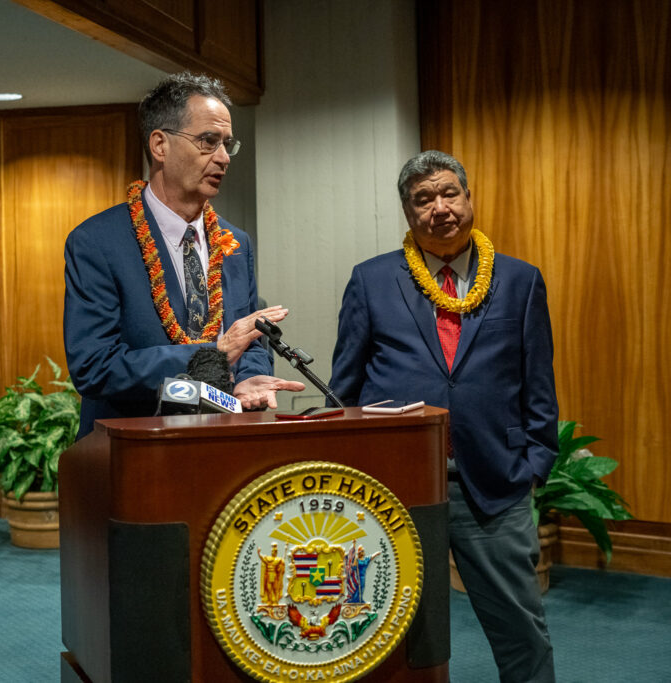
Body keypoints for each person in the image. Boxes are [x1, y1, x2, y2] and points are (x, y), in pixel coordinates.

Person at [330, 150, 557, 682]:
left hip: (494, 487)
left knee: (521, 632)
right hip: (395, 487)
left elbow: (539, 386)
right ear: (409, 214)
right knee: (402, 636)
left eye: (449, 192)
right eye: (423, 199)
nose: (440, 207)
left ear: (469, 197)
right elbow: (346, 389)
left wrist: (535, 466)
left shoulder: (520, 280)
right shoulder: (372, 280)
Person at [64, 72, 303, 437]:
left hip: (221, 443)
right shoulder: (98, 242)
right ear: (160, 145)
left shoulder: (235, 242)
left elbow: (249, 335)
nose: (223, 157)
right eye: (208, 141)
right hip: (135, 448)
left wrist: (249, 377)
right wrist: (213, 355)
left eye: (228, 144)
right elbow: (95, 367)